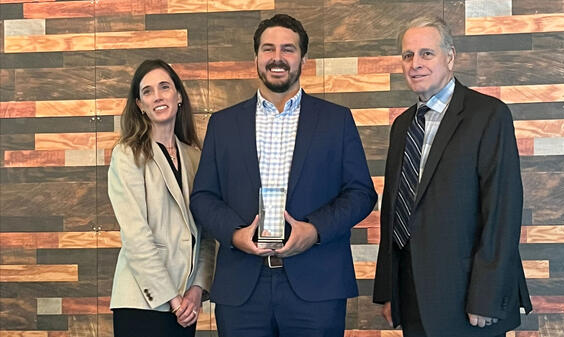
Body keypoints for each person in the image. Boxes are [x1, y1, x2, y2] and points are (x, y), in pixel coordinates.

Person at [190, 13, 377, 337]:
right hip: (242, 289)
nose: (277, 57)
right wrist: (235, 235)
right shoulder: (223, 124)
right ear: (256, 58)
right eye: (268, 49)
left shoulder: (336, 120)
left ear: (303, 58)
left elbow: (361, 193)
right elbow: (203, 197)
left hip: (316, 286)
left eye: (288, 49)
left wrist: (314, 230)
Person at [373, 16, 533, 337]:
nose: (415, 64)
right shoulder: (403, 126)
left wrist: (487, 296)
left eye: (426, 54)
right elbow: (394, 212)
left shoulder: (488, 115)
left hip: (468, 298)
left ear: (450, 57)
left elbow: (502, 211)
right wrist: (389, 289)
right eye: (408, 55)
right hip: (412, 294)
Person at [107, 59, 215, 337]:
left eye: (164, 87)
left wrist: (196, 290)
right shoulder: (127, 154)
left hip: (185, 304)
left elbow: (205, 233)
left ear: (178, 96)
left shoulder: (195, 157)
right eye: (147, 91)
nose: (157, 96)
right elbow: (135, 235)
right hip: (143, 302)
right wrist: (173, 299)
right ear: (140, 105)